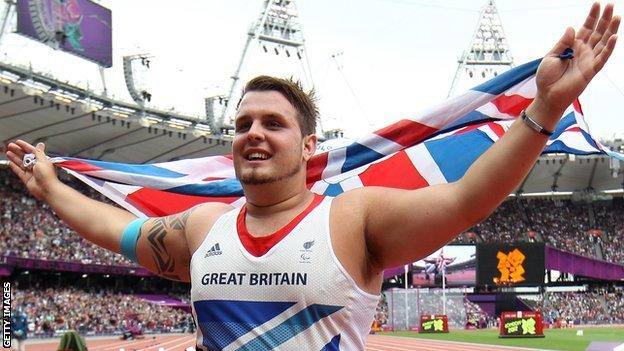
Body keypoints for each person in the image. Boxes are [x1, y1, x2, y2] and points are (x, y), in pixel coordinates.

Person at [5, 4, 620, 350]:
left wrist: (544, 108)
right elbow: (117, 231)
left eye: (273, 122)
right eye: (243, 121)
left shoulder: (353, 217)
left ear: (307, 145)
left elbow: (465, 199)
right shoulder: (203, 226)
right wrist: (54, 187)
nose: (254, 132)